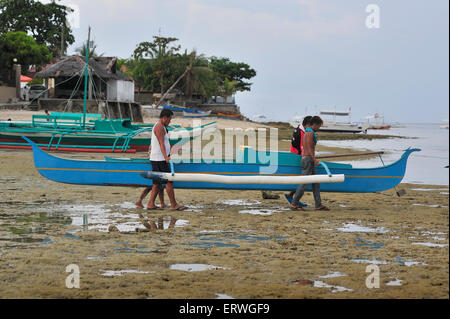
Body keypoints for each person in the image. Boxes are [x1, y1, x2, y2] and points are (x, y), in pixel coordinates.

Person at [146, 109, 186, 211]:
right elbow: (161, 143)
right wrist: (165, 157)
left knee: (157, 183)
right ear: (165, 117)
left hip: (157, 158)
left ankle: (151, 204)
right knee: (169, 181)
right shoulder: (159, 126)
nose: (170, 122)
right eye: (169, 119)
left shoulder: (161, 126)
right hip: (159, 159)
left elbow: (157, 142)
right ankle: (173, 205)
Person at [291, 116, 329, 211]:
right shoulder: (309, 133)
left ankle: (318, 205)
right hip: (308, 160)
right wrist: (314, 159)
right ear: (315, 125)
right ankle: (294, 203)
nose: (319, 128)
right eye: (319, 126)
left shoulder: (308, 133)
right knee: (304, 183)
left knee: (316, 182)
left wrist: (313, 159)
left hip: (308, 159)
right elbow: (308, 148)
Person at [285, 116, 312, 205]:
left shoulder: (298, 129)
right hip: (297, 157)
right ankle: (291, 197)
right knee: (301, 179)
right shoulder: (301, 133)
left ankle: (291, 196)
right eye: (311, 125)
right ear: (307, 124)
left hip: (294, 155)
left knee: (299, 179)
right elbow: (302, 148)